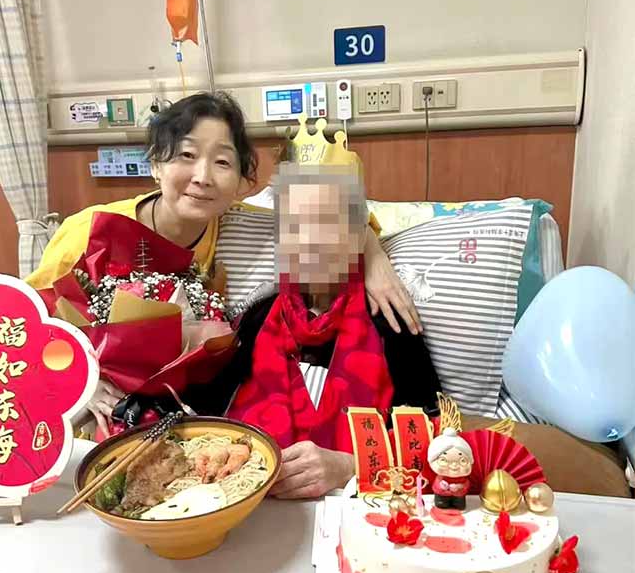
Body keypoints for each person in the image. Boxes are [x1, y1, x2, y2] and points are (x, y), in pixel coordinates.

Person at [27, 93, 422, 436]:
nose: (202, 177)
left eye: (222, 162)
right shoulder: (91, 232)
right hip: (89, 404)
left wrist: (374, 257)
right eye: (186, 155)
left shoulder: (240, 221)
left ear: (241, 180)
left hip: (179, 412)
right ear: (156, 164)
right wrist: (79, 381)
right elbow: (23, 325)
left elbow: (328, 218)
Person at [186, 163, 441, 499]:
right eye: (294, 227)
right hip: (250, 502)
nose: (308, 242)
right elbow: (206, 415)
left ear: (358, 238)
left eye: (327, 225)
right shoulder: (257, 318)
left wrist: (350, 466)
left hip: (357, 507)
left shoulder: (390, 321)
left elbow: (435, 440)